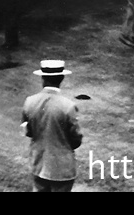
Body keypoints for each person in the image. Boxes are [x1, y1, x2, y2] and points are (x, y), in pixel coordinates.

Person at [22, 60, 83, 192]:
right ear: (62, 78)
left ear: (43, 78)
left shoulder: (30, 101)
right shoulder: (68, 106)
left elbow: (28, 132)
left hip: (38, 162)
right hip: (61, 168)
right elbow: (76, 138)